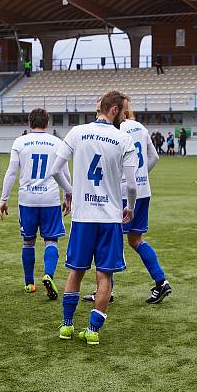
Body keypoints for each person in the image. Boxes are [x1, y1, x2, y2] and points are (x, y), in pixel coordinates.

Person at [49, 90, 137, 345]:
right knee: (104, 275)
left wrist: (70, 191)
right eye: (123, 111)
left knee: (75, 271)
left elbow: (55, 170)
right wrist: (129, 207)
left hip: (82, 216)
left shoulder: (77, 132)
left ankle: (67, 325)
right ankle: (93, 331)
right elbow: (131, 185)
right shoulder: (123, 139)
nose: (124, 115)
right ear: (113, 110)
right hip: (109, 219)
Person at [0, 108, 72, 298]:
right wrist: (67, 195)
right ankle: (48, 274)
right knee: (51, 240)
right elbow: (64, 173)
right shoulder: (57, 142)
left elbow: (11, 172)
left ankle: (29, 283)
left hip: (27, 199)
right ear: (47, 124)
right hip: (50, 199)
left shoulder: (20, 142)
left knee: (28, 241)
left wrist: (4, 199)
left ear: (29, 123)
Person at [117, 103, 172, 303]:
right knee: (135, 239)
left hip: (123, 191)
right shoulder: (141, 127)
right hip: (143, 190)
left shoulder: (117, 129)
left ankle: (106, 291)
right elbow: (154, 157)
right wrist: (141, 176)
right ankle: (161, 281)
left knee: (111, 239)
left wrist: (128, 178)